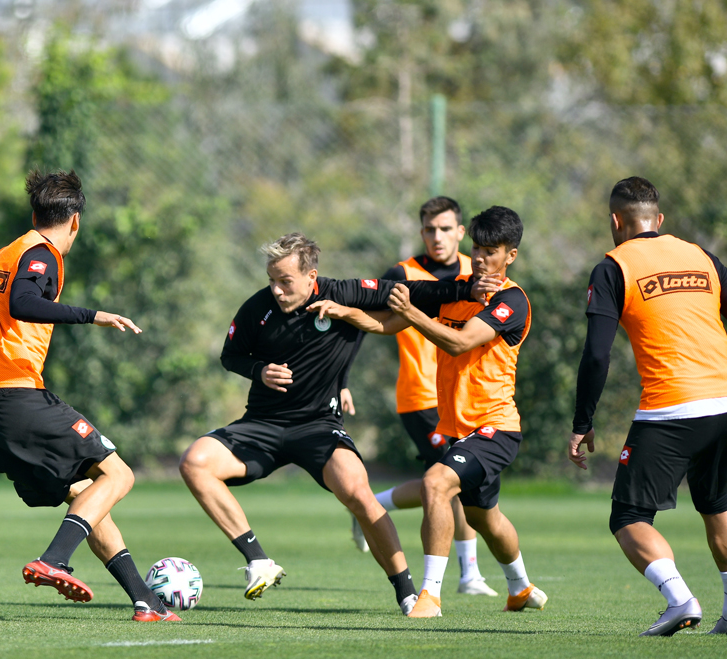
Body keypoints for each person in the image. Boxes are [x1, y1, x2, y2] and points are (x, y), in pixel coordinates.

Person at [178, 232, 484, 616]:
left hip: (319, 426)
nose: (276, 290)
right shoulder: (257, 307)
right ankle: (258, 560)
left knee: (359, 494)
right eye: (271, 280)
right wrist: (259, 370)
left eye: (285, 281)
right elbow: (231, 355)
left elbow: (414, 291)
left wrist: (468, 288)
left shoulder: (345, 294)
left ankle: (408, 594)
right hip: (263, 423)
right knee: (194, 462)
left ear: (311, 276)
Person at [567, 177, 727, 637]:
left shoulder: (613, 267)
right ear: (659, 219)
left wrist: (582, 421)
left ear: (615, 221)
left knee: (628, 516)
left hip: (673, 405)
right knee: (716, 503)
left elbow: (596, 354)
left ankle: (679, 599)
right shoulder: (700, 256)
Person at [0, 170, 178, 622]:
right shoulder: (43, 254)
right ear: (74, 220)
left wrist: (0, 267)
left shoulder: (12, 252)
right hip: (13, 396)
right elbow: (22, 303)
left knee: (88, 494)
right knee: (119, 476)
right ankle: (54, 559)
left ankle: (146, 601)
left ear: (35, 213)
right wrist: (93, 315)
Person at [320, 207, 547, 618]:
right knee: (486, 519)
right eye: (477, 249)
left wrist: (412, 312)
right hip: (458, 429)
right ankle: (520, 587)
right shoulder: (458, 291)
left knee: (435, 484)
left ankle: (430, 596)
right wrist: (345, 312)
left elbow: (459, 343)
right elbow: (387, 325)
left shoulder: (512, 300)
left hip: (495, 427)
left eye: (491, 251)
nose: (480, 258)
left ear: (510, 256)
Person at [343, 196, 497, 597]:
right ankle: (469, 575)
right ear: (421, 232)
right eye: (429, 229)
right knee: (452, 482)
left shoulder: (478, 271)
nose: (437, 236)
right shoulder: (403, 274)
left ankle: (372, 505)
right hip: (421, 397)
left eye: (445, 228)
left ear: (461, 232)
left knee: (448, 481)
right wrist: (341, 378)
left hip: (465, 398)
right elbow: (364, 318)